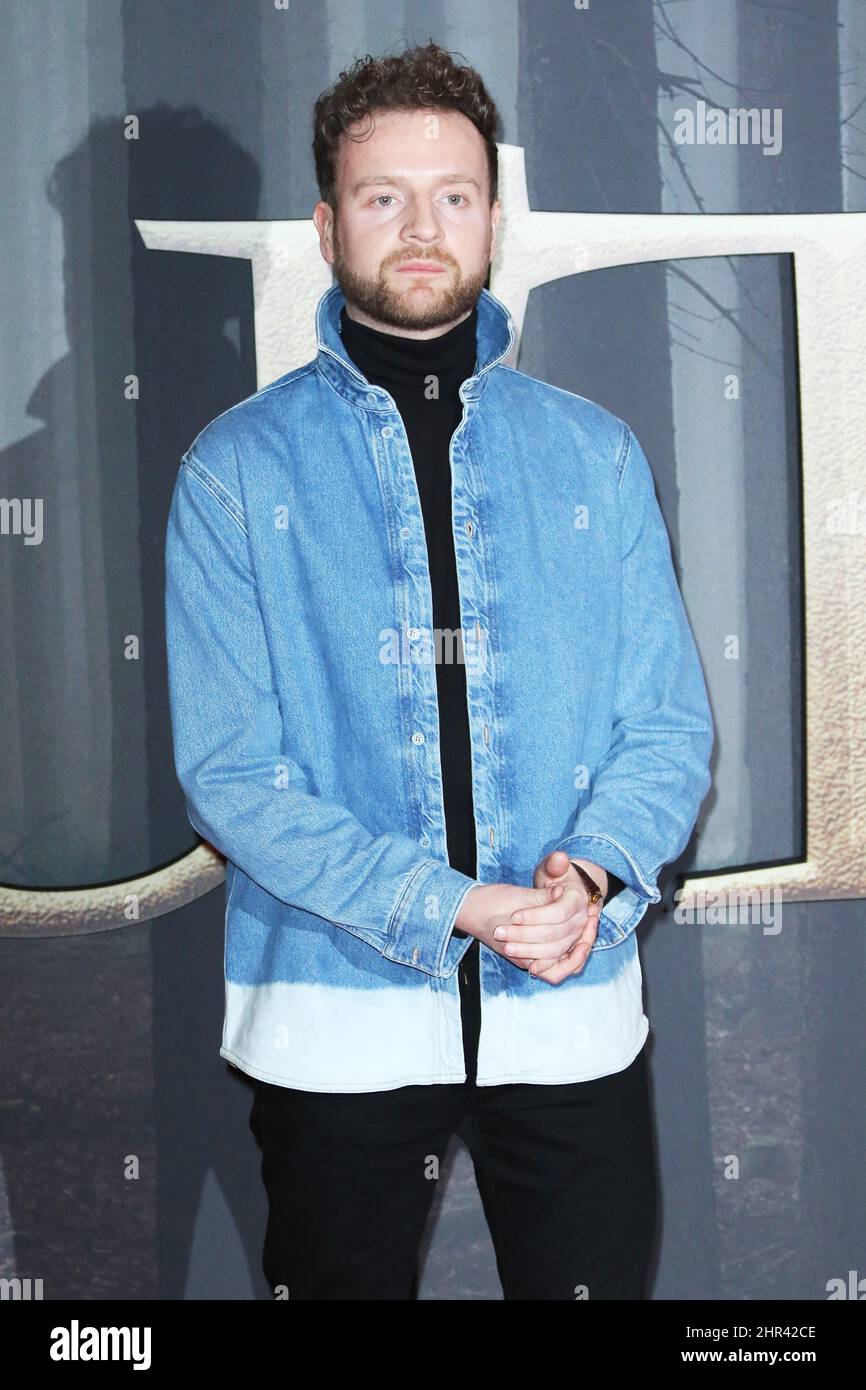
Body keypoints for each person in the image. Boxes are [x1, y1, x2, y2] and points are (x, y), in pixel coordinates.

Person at [164, 41, 714, 1300]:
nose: (421, 227)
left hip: (568, 1011)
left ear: (492, 219)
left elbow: (665, 726)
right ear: (325, 221)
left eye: (452, 195)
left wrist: (587, 871)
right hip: (332, 1025)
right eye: (382, 196)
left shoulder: (594, 455)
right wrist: (456, 905)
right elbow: (232, 778)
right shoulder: (234, 471)